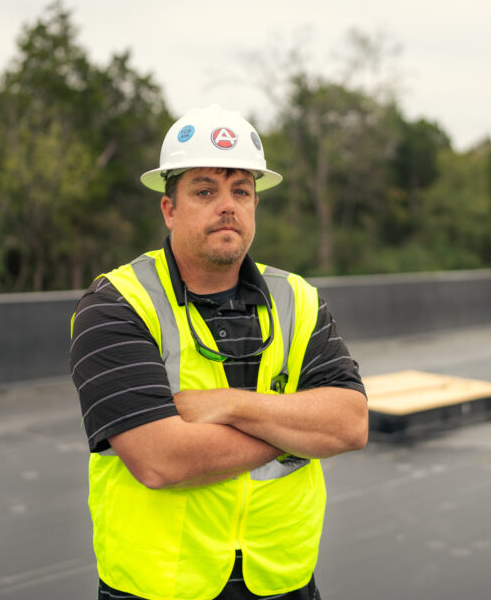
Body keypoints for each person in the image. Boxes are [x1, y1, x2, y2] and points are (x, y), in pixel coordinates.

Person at [69, 104, 368, 600]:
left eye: (241, 192)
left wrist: (228, 405)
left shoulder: (298, 298)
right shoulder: (117, 305)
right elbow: (161, 460)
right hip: (160, 587)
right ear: (170, 208)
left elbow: (351, 423)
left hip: (283, 580)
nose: (227, 205)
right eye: (205, 191)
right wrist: (302, 432)